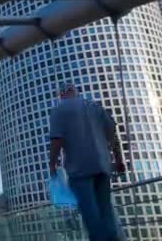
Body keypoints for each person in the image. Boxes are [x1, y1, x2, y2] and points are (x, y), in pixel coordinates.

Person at [49, 83, 126, 241]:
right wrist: (119, 159)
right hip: (103, 166)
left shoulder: (59, 111)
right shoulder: (95, 107)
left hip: (79, 169)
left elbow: (56, 140)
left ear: (61, 94)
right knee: (106, 211)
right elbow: (112, 134)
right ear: (75, 92)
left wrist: (52, 165)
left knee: (90, 214)